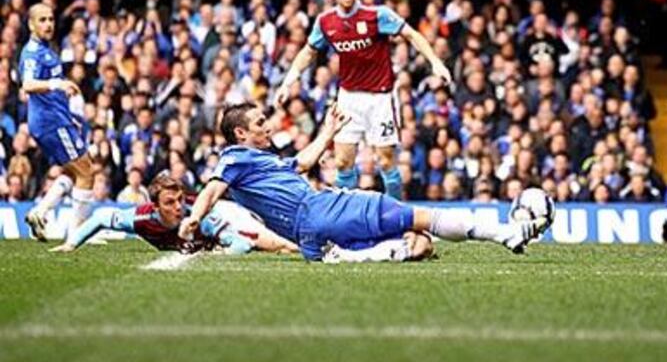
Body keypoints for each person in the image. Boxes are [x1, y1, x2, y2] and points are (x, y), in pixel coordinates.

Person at [178, 102, 546, 263]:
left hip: (308, 232)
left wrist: (328, 130)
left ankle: (349, 255)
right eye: (260, 123)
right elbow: (212, 188)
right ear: (241, 133)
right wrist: (195, 216)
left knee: (421, 245)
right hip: (321, 209)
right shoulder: (233, 157)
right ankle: (505, 234)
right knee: (418, 216)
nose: (268, 125)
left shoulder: (260, 161)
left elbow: (303, 162)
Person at [274, 0, 452, 200]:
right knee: (342, 161)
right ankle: (344, 219)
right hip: (348, 98)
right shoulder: (326, 22)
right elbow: (308, 52)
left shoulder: (377, 15)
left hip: (380, 98)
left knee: (386, 160)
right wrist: (288, 82)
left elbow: (412, 35)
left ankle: (396, 216)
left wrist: (435, 63)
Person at [49, 175, 298, 255]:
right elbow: (101, 217)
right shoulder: (141, 219)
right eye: (169, 202)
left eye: (180, 199)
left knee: (280, 245)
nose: (178, 206)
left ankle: (320, 247)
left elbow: (243, 244)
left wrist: (219, 254)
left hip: (225, 212)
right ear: (155, 206)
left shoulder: (197, 218)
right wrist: (71, 244)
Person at [19, 3, 95, 242]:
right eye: (42, 20)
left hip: (57, 119)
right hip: (50, 122)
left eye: (50, 19)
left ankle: (39, 212)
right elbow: (28, 84)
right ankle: (77, 235)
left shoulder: (48, 50)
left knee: (72, 172)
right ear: (31, 24)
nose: (48, 24)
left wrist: (70, 117)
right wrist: (58, 84)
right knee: (87, 171)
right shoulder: (32, 53)